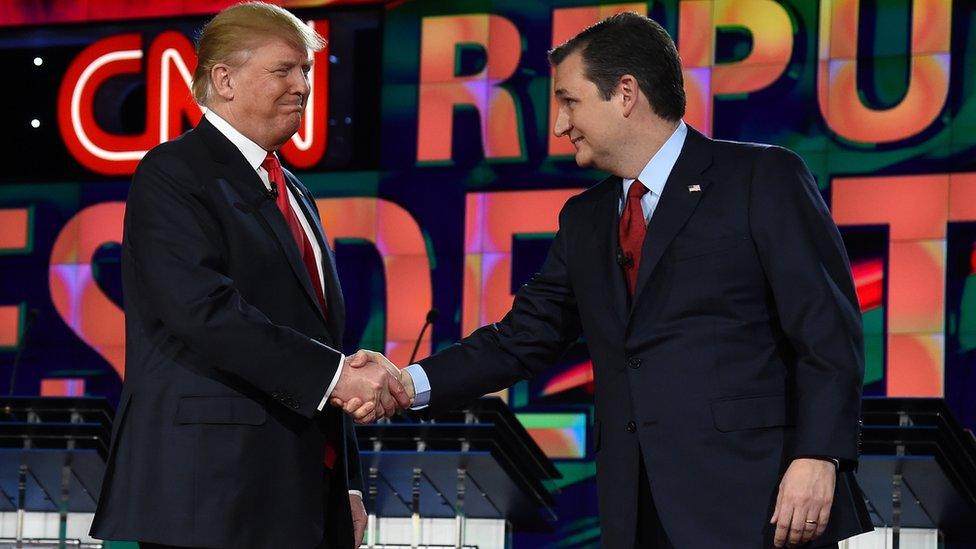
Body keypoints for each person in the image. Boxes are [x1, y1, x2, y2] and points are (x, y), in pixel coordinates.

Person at [340, 12, 872, 549]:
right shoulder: (586, 218)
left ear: (624, 93)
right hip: (635, 508)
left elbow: (826, 330)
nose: (559, 125)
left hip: (760, 498)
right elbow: (525, 337)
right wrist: (408, 385)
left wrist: (818, 456)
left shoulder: (761, 178)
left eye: (569, 101)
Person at [89, 3, 409, 548]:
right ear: (224, 79)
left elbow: (319, 340)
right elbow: (204, 312)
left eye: (305, 71)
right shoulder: (175, 172)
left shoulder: (295, 193)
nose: (303, 86)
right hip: (208, 495)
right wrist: (338, 378)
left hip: (299, 494)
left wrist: (348, 484)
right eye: (284, 70)